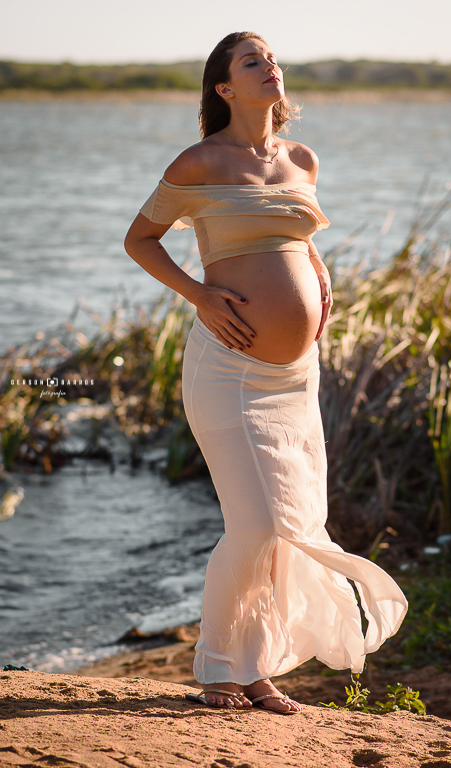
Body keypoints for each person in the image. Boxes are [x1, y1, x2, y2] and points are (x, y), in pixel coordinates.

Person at [125, 31, 408, 715]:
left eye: (271, 58)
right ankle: (219, 671)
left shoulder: (300, 159)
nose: (269, 67)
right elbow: (141, 239)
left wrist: (318, 269)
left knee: (290, 522)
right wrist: (199, 293)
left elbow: (295, 233)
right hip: (228, 369)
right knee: (253, 526)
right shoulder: (200, 162)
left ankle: (255, 671)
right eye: (251, 61)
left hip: (295, 376)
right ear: (223, 88)